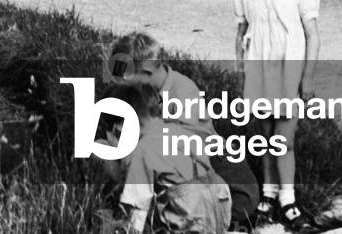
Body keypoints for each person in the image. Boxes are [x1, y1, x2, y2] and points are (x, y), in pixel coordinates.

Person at [110, 33, 258, 230]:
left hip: (217, 171)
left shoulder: (183, 92)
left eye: (126, 82)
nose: (121, 88)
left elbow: (190, 146)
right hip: (187, 177)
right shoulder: (146, 97)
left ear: (145, 74)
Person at [228, 0, 320, 233]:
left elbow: (312, 37)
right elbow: (241, 35)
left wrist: (307, 77)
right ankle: (267, 196)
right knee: (266, 138)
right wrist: (242, 70)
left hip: (287, 75)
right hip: (260, 74)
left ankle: (288, 200)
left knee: (284, 141)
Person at [107, 83, 232, 233]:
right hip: (220, 211)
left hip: (190, 218)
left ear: (120, 127)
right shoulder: (184, 133)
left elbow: (137, 207)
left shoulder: (142, 150)